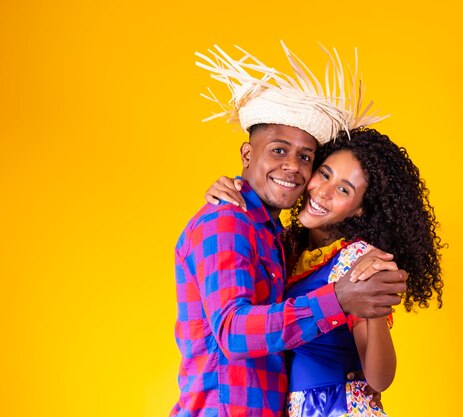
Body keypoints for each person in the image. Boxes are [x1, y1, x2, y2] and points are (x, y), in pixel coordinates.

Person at [171, 44, 406, 417]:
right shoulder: (227, 221)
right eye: (279, 151)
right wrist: (338, 300)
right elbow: (232, 330)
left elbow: (371, 369)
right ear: (248, 155)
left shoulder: (276, 239)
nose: (293, 168)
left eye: (306, 157)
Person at [205, 128, 444, 416]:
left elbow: (380, 379)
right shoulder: (285, 246)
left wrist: (376, 309)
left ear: (359, 210)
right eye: (325, 174)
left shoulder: (355, 258)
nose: (324, 192)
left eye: (344, 190)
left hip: (338, 407)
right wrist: (233, 187)